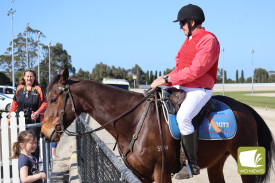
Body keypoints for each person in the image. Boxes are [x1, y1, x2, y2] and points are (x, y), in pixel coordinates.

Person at [151, 4, 220, 179]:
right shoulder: (187, 42)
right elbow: (178, 69)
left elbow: (196, 71)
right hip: (183, 86)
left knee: (183, 118)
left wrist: (167, 80)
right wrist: (163, 80)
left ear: (192, 21)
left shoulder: (209, 40)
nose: (180, 27)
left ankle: (191, 165)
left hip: (199, 90)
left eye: (182, 23)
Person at [9, 69, 47, 161]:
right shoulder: (19, 88)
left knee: (33, 143)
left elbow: (45, 103)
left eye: (31, 76)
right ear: (24, 77)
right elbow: (14, 104)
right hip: (19, 119)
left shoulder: (39, 88)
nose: (29, 78)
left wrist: (38, 112)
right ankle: (21, 163)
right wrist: (10, 117)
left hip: (34, 120)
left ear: (34, 78)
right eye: (27, 76)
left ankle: (34, 165)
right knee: (21, 142)